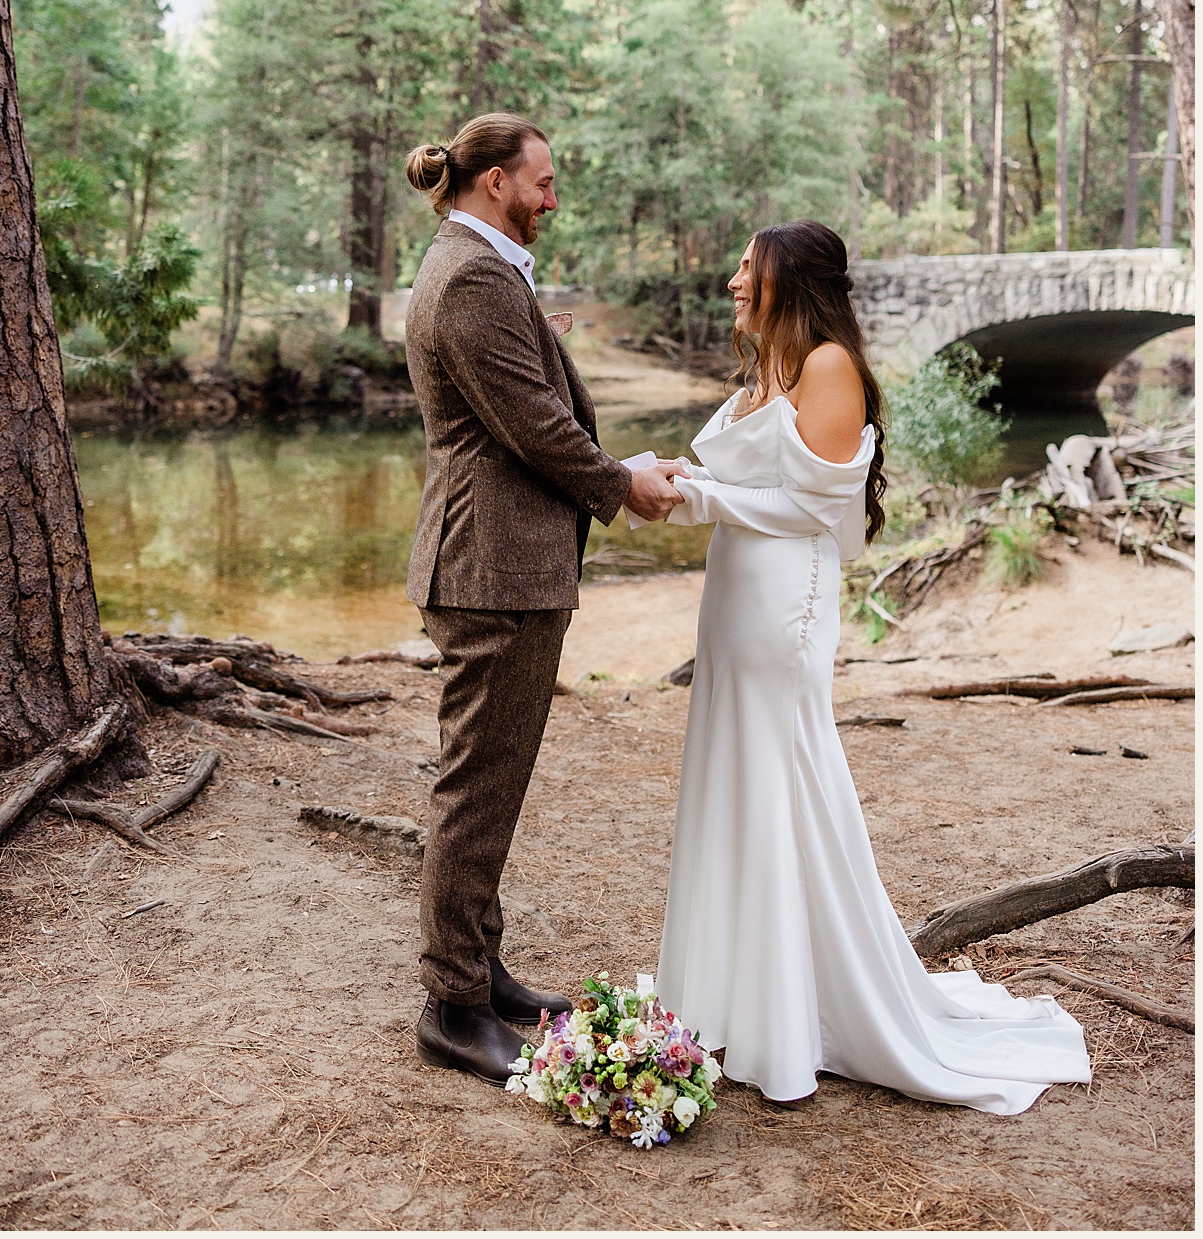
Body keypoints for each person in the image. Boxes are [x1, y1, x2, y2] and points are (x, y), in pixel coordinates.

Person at [651, 220, 1089, 1111]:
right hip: (735, 595)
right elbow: (743, 477)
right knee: (732, 776)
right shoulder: (772, 366)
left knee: (783, 780)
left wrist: (691, 495)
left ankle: (798, 1014)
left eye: (748, 266)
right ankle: (736, 990)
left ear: (789, 278)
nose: (734, 279)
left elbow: (807, 505)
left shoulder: (826, 366)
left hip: (784, 603)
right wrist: (673, 475)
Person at [399, 114, 685, 1081]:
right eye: (544, 182)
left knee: (492, 780)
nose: (553, 199)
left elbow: (527, 398)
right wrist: (622, 485)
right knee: (476, 790)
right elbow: (536, 429)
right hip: (492, 569)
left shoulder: (478, 267)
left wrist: (614, 450)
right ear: (493, 184)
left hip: (501, 562)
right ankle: (452, 1004)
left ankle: (481, 970)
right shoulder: (473, 276)